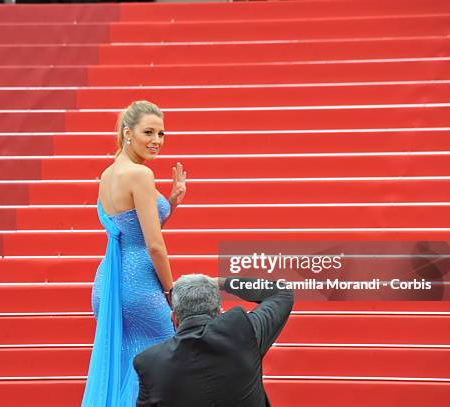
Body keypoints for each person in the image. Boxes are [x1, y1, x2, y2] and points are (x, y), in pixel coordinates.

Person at [81, 100, 187, 406]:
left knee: (128, 368)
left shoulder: (109, 174)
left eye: (162, 134)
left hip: (110, 283)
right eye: (149, 132)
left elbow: (133, 230)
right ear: (128, 133)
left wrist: (172, 202)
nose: (157, 141)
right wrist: (172, 292)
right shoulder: (141, 176)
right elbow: (153, 245)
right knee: (167, 366)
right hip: (139, 286)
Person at [133, 275, 294, 407]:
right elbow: (281, 292)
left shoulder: (149, 363)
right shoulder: (244, 330)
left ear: (174, 319)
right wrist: (220, 283)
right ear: (219, 312)